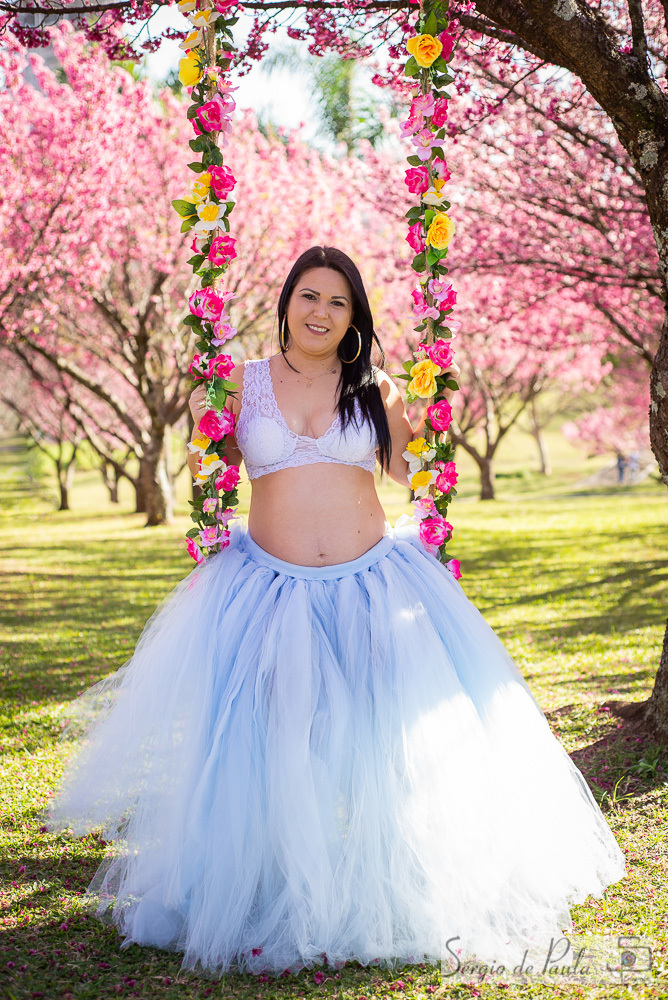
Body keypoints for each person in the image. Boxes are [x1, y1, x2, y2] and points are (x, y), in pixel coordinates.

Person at [43, 246, 626, 981]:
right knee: (276, 742)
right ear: (287, 300)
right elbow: (211, 470)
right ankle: (274, 887)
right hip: (266, 589)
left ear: (355, 317)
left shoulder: (372, 386)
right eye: (310, 296)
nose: (321, 312)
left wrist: (432, 429)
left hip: (374, 585)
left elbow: (411, 472)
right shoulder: (240, 383)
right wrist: (201, 433)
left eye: (339, 302)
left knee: (388, 743)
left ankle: (401, 886)